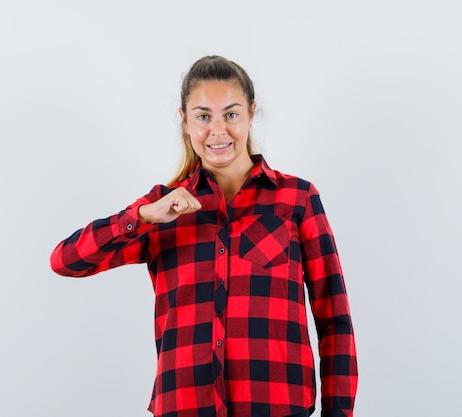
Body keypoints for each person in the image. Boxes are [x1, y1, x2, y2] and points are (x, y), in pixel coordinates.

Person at [50, 55, 357, 417]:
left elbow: (333, 316)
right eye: (203, 116)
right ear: (184, 121)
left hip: (277, 406)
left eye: (230, 114)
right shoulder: (161, 208)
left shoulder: (297, 198)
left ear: (251, 113)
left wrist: (339, 413)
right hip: (185, 406)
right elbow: (66, 261)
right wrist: (143, 216)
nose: (218, 130)